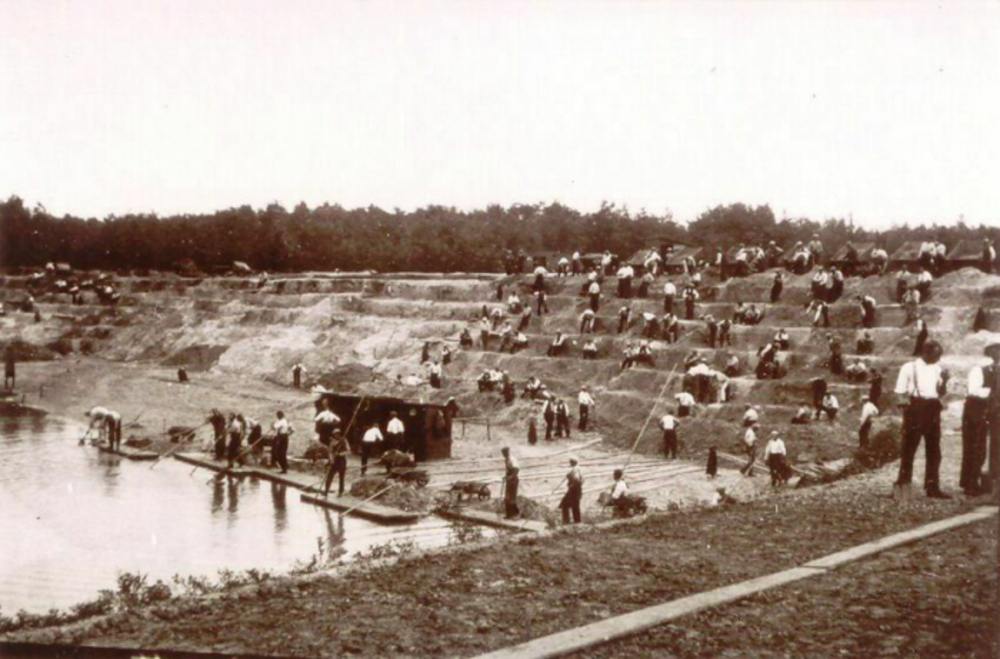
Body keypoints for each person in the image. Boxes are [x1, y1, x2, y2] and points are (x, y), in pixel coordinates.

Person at [894, 340, 951, 499]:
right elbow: (900, 391)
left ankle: (932, 487)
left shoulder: (938, 369)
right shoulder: (909, 367)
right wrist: (906, 408)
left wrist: (945, 380)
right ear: (926, 352)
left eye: (939, 355)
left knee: (934, 450)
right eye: (936, 355)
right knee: (909, 448)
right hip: (916, 407)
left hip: (933, 407)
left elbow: (940, 392)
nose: (938, 359)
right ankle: (903, 485)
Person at [960, 342, 1000, 496]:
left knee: (992, 447)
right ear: (990, 352)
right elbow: (973, 391)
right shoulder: (979, 369)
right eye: (997, 351)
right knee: (974, 447)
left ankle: (992, 482)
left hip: (992, 410)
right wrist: (993, 392)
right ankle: (969, 483)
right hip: (976, 409)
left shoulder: (996, 369)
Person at [323, 430, 349, 497]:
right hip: (334, 461)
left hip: (342, 461)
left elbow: (348, 451)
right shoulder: (332, 442)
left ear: (339, 434)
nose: (335, 436)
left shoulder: (344, 441)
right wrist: (331, 459)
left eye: (336, 434)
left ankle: (341, 491)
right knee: (329, 476)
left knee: (341, 477)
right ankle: (326, 491)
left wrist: (340, 454)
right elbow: (330, 452)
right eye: (334, 434)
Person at [560, 457, 584, 524]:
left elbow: (576, 479)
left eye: (570, 462)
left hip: (574, 489)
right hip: (578, 489)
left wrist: (570, 478)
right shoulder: (579, 468)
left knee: (565, 504)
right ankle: (577, 521)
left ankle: (566, 521)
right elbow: (581, 480)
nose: (570, 463)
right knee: (575, 505)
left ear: (572, 462)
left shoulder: (575, 469)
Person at [501, 447, 520, 519]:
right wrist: (506, 476)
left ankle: (516, 513)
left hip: (513, 480)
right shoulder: (506, 459)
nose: (503, 455)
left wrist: (511, 477)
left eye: (504, 453)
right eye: (503, 453)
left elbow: (516, 469)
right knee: (507, 497)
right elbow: (508, 470)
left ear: (507, 452)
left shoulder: (512, 459)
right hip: (509, 480)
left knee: (511, 498)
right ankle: (509, 514)